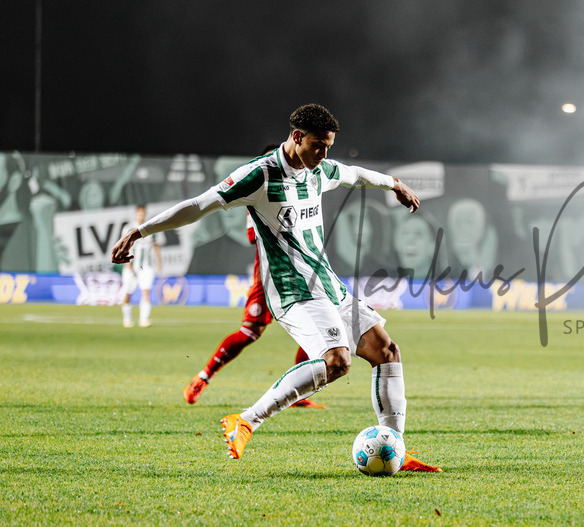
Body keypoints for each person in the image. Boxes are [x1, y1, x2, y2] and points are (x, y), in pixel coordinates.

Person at [112, 104, 441, 471]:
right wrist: (139, 232)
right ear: (297, 137)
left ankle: (395, 446)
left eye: (329, 146)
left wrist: (395, 184)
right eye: (319, 145)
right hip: (291, 290)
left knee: (387, 351)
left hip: (328, 284)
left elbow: (355, 174)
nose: (324, 154)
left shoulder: (321, 171)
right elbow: (198, 205)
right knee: (337, 361)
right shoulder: (259, 175)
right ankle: (247, 420)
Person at [184, 146, 324, 409]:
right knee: (250, 332)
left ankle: (297, 396)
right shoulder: (258, 196)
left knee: (315, 331)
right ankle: (203, 377)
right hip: (270, 275)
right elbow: (252, 237)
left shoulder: (303, 189)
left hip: (302, 274)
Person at [119, 205, 163, 327]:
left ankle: (144, 319)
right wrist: (127, 263)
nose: (141, 216)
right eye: (139, 214)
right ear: (136, 214)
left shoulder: (151, 228)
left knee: (146, 291)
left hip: (146, 266)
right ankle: (127, 319)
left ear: (145, 214)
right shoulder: (128, 228)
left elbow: (156, 246)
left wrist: (159, 262)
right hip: (131, 266)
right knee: (128, 293)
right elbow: (123, 247)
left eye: (143, 214)